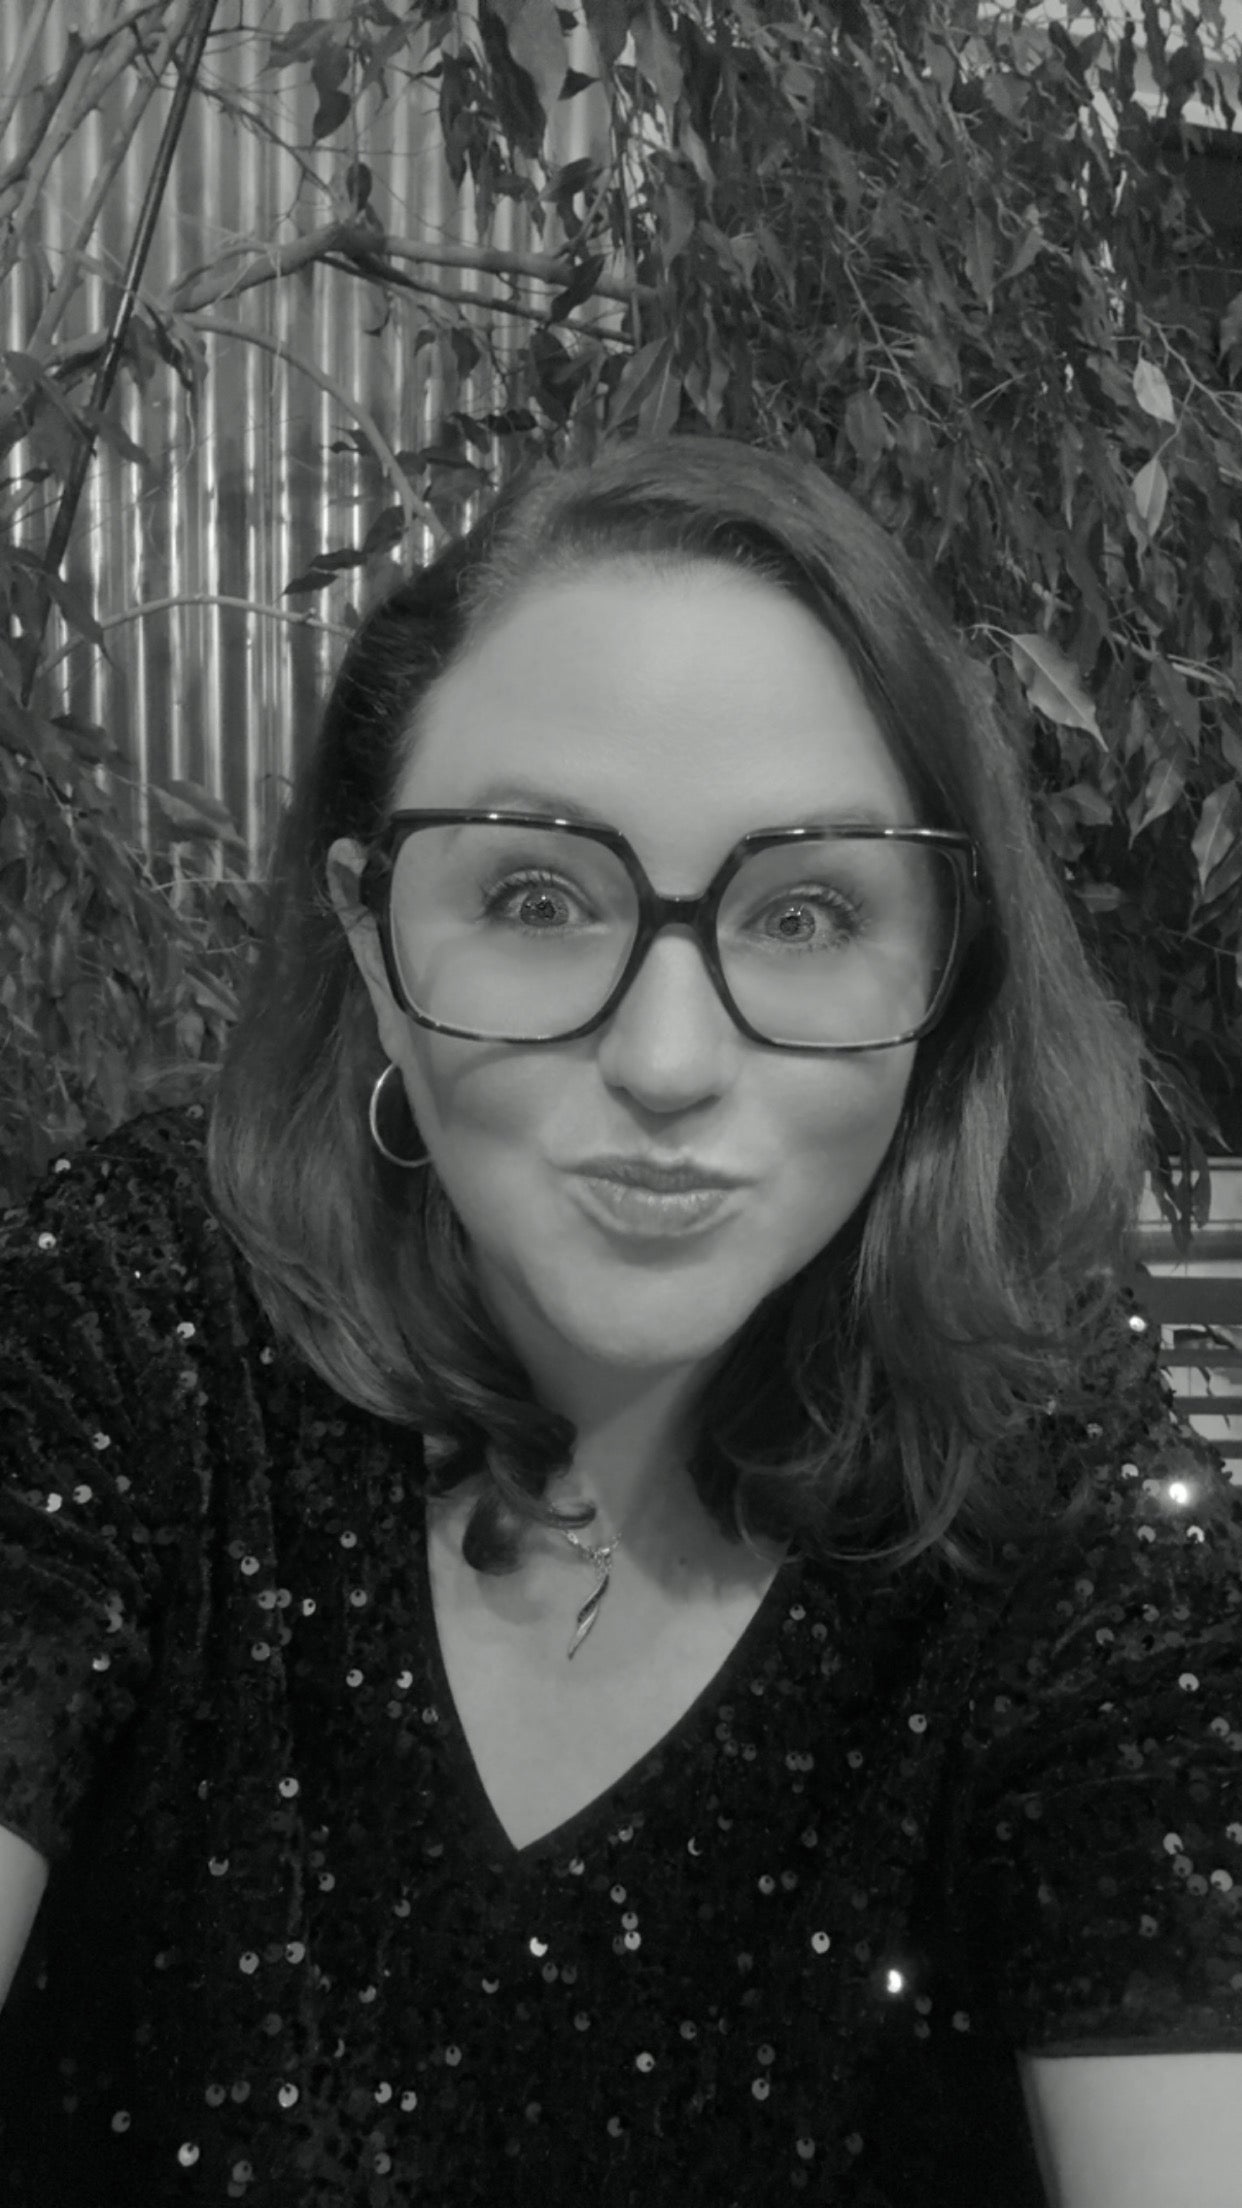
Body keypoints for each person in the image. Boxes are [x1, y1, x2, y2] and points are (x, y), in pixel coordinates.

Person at [0, 428, 1239, 2207]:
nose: (666, 1061)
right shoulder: (136, 1321)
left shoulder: (1066, 1499)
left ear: (944, 967)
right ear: (373, 943)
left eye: (805, 912)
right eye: (533, 899)